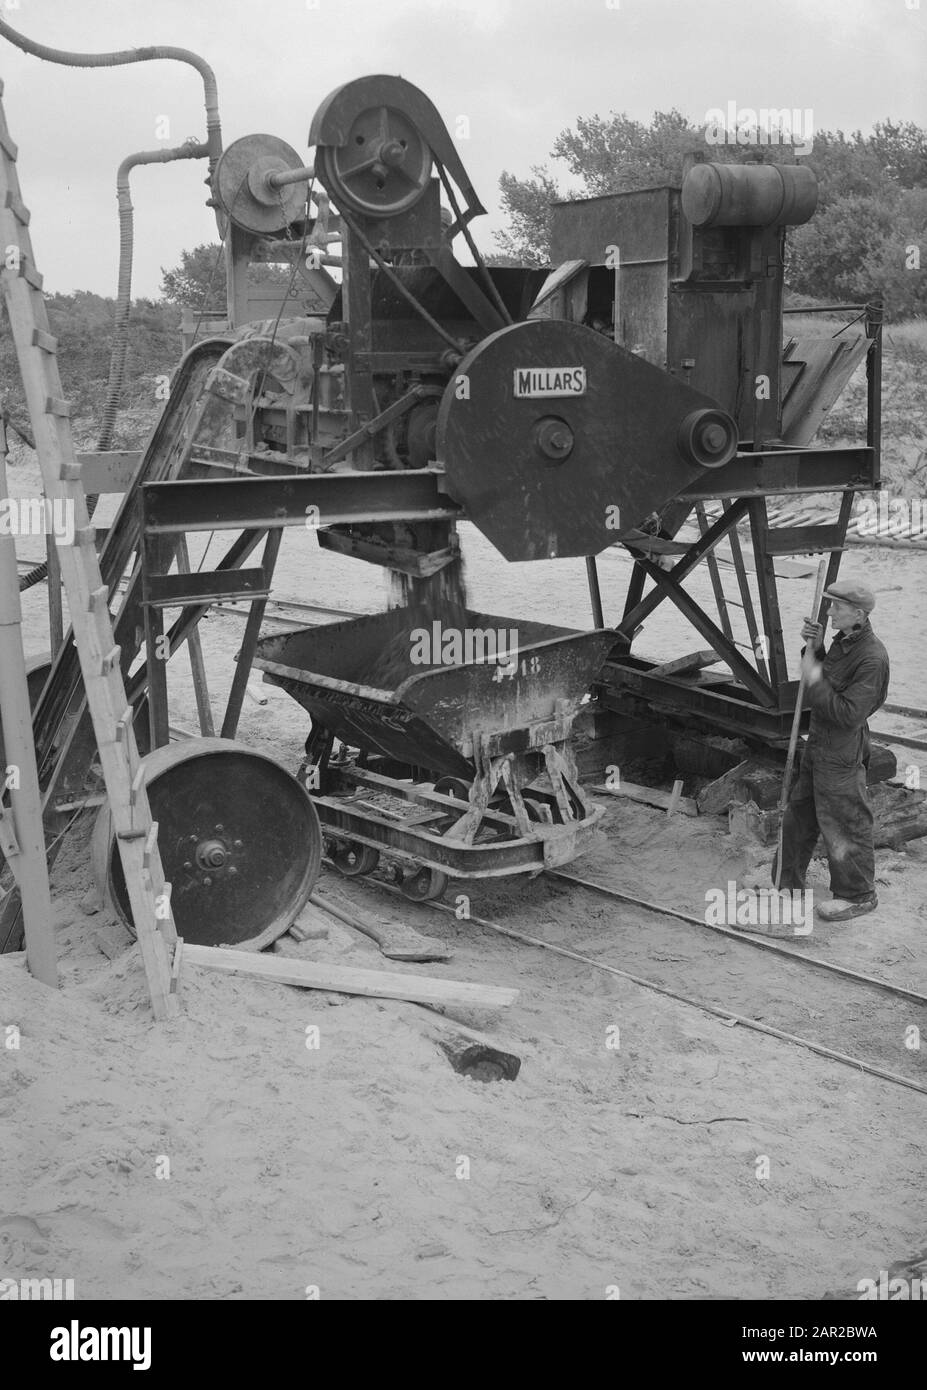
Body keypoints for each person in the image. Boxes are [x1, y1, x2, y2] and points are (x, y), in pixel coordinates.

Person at [773, 580, 890, 921]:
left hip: (840, 752)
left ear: (859, 614)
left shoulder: (872, 656)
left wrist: (812, 677)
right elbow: (828, 677)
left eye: (836, 607)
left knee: (845, 823)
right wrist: (815, 648)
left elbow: (849, 714)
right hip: (819, 745)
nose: (829, 611)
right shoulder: (844, 642)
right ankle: (787, 885)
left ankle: (858, 895)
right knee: (799, 816)